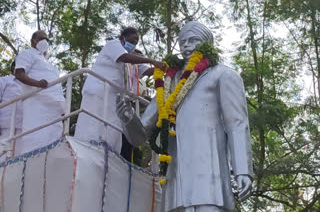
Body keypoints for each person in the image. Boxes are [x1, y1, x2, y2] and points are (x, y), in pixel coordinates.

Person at [116, 21, 253, 212]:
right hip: (176, 176)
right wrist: (128, 119)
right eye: (183, 42)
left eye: (193, 40)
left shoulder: (223, 75)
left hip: (209, 173)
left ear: (207, 43)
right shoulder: (169, 82)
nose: (187, 46)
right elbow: (141, 133)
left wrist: (243, 170)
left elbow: (236, 124)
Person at [75, 27, 166, 154]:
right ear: (123, 38)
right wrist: (152, 61)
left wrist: (167, 67)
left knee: (113, 131)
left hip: (115, 98)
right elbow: (124, 57)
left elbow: (147, 70)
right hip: (99, 91)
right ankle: (88, 147)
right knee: (94, 127)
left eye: (136, 42)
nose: (134, 44)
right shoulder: (113, 45)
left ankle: (110, 153)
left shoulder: (132, 60)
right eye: (132, 40)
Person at [15, 30, 65, 155]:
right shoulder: (27, 54)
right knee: (36, 146)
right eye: (42, 38)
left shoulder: (49, 64)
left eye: (47, 39)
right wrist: (38, 83)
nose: (45, 42)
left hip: (54, 113)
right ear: (34, 40)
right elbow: (19, 74)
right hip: (37, 107)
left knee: (54, 150)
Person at [0, 61, 23, 159]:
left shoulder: (28, 85)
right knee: (4, 158)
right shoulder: (4, 81)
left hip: (25, 128)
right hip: (7, 127)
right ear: (14, 67)